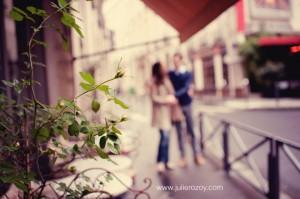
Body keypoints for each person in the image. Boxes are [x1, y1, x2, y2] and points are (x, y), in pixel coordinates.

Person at [168, 52, 205, 167]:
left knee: (192, 131)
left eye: (177, 60)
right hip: (177, 106)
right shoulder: (171, 73)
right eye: (174, 61)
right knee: (179, 132)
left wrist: (174, 95)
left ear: (181, 60)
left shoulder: (187, 73)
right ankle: (183, 157)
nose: (175, 63)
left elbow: (186, 87)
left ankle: (197, 155)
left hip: (187, 104)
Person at [151, 61, 177, 172]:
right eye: (163, 67)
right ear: (158, 70)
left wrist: (170, 96)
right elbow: (154, 98)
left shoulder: (166, 80)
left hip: (168, 114)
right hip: (160, 114)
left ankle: (166, 161)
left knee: (167, 138)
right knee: (164, 138)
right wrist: (165, 99)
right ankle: (160, 161)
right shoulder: (154, 82)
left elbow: (172, 92)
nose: (165, 68)